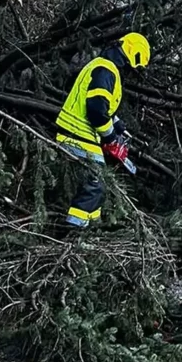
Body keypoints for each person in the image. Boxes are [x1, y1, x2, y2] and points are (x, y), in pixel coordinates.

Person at [54, 32, 150, 229]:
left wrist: (117, 125)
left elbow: (101, 106)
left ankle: (91, 226)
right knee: (95, 184)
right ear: (134, 55)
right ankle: (72, 231)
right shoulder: (106, 70)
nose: (133, 72)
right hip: (79, 134)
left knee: (99, 184)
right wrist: (111, 137)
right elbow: (96, 111)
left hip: (78, 133)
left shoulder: (102, 66)